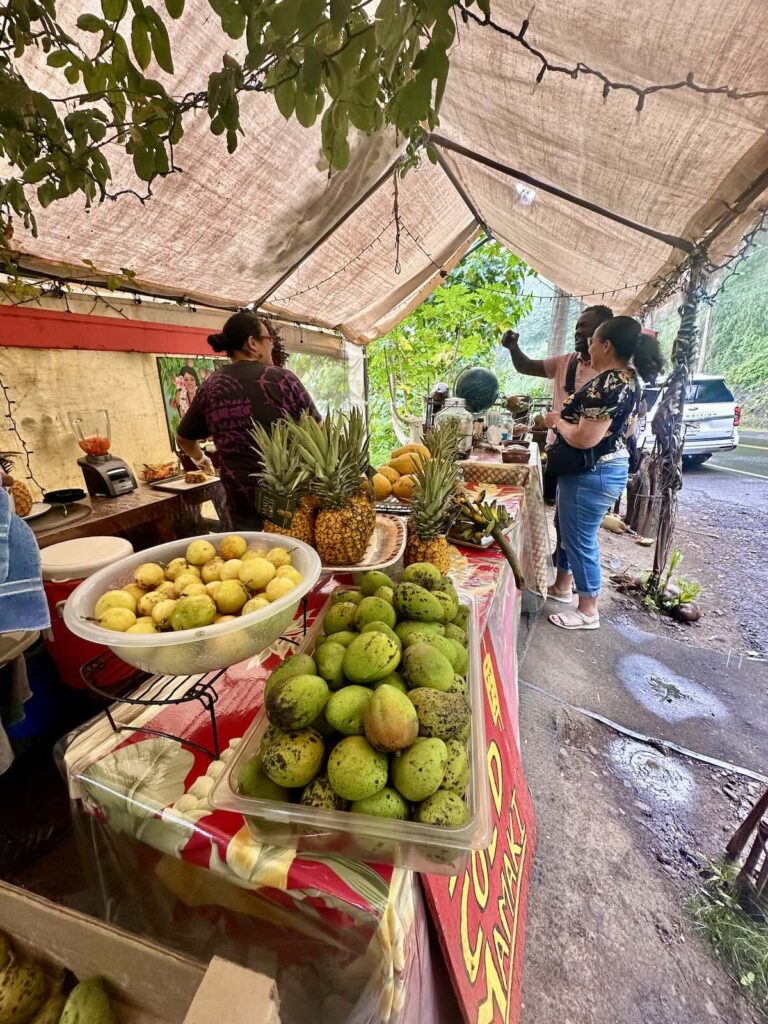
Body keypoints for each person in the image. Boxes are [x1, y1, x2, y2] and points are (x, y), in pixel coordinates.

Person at [543, 316, 665, 630]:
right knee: (572, 532)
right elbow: (631, 426)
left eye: (592, 341)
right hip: (607, 467)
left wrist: (557, 420)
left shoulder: (610, 382)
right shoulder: (631, 380)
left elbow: (585, 438)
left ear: (606, 345)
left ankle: (587, 609)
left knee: (581, 539)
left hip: (592, 472)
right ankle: (562, 586)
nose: (588, 346)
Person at [177, 311, 320, 530]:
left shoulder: (211, 386)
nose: (270, 345)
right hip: (291, 508)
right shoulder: (282, 379)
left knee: (250, 560)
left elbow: (184, 438)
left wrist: (201, 459)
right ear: (252, 343)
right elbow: (320, 434)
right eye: (268, 339)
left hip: (240, 507)